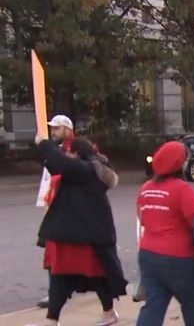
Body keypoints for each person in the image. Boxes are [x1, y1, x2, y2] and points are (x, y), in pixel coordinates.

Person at [29, 136, 125, 326]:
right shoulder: (86, 169)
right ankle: (52, 320)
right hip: (77, 235)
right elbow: (55, 164)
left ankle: (109, 313)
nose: (65, 155)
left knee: (97, 278)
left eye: (68, 152)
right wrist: (42, 150)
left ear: (77, 153)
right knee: (61, 277)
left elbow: (63, 164)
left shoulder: (86, 170)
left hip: (87, 237)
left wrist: (44, 144)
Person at [136, 141, 194, 326]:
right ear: (181, 164)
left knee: (153, 307)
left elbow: (143, 219)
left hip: (148, 256)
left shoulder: (145, 188)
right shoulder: (182, 190)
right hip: (180, 260)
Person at [36, 115, 76, 309]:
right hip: (56, 207)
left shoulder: (74, 150)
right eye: (52, 129)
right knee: (53, 252)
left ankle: (106, 295)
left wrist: (45, 147)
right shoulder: (55, 151)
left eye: (57, 129)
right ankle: (55, 293)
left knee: (91, 255)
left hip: (70, 209)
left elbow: (62, 170)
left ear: (68, 130)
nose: (53, 132)